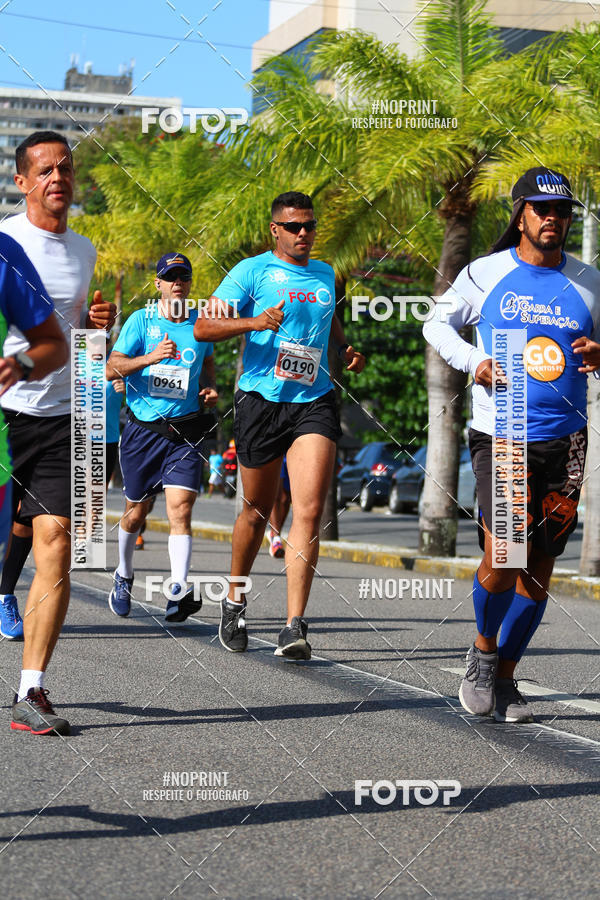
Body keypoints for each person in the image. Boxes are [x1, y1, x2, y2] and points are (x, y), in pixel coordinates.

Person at [423, 166, 600, 723]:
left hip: (566, 440)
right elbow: (436, 325)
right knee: (505, 555)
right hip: (504, 433)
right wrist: (475, 361)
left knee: (540, 564)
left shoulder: (589, 281)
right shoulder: (485, 273)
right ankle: (481, 652)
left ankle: (505, 678)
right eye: (543, 209)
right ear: (520, 214)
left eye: (563, 211)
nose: (554, 219)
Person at [194, 190, 365, 659]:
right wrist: (252, 322)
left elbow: (330, 324)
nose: (303, 233)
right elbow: (203, 329)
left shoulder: (327, 273)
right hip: (260, 402)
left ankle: (294, 624)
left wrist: (346, 351)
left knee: (308, 510)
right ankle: (233, 599)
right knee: (255, 509)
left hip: (314, 399)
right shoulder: (250, 272)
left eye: (309, 225)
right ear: (275, 229)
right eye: (294, 226)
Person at [2, 131, 115, 736]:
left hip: (58, 417)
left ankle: (31, 689)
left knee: (58, 540)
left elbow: (76, 335)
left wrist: (99, 324)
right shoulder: (4, 242)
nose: (57, 179)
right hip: (2, 413)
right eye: (44, 170)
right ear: (22, 181)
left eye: (65, 169)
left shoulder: (85, 249)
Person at [106, 252, 218, 622]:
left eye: (183, 277)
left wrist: (209, 387)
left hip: (184, 432)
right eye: (170, 277)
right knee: (136, 513)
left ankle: (177, 591)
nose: (177, 283)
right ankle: (123, 574)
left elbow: (208, 362)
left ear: (189, 283)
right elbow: (112, 367)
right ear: (158, 284)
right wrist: (150, 358)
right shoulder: (141, 320)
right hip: (143, 432)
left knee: (181, 510)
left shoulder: (201, 325)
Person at [268, 457, 291, 558]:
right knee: (275, 494)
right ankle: (276, 539)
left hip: (293, 450)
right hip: (277, 451)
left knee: (286, 498)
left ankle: (274, 533)